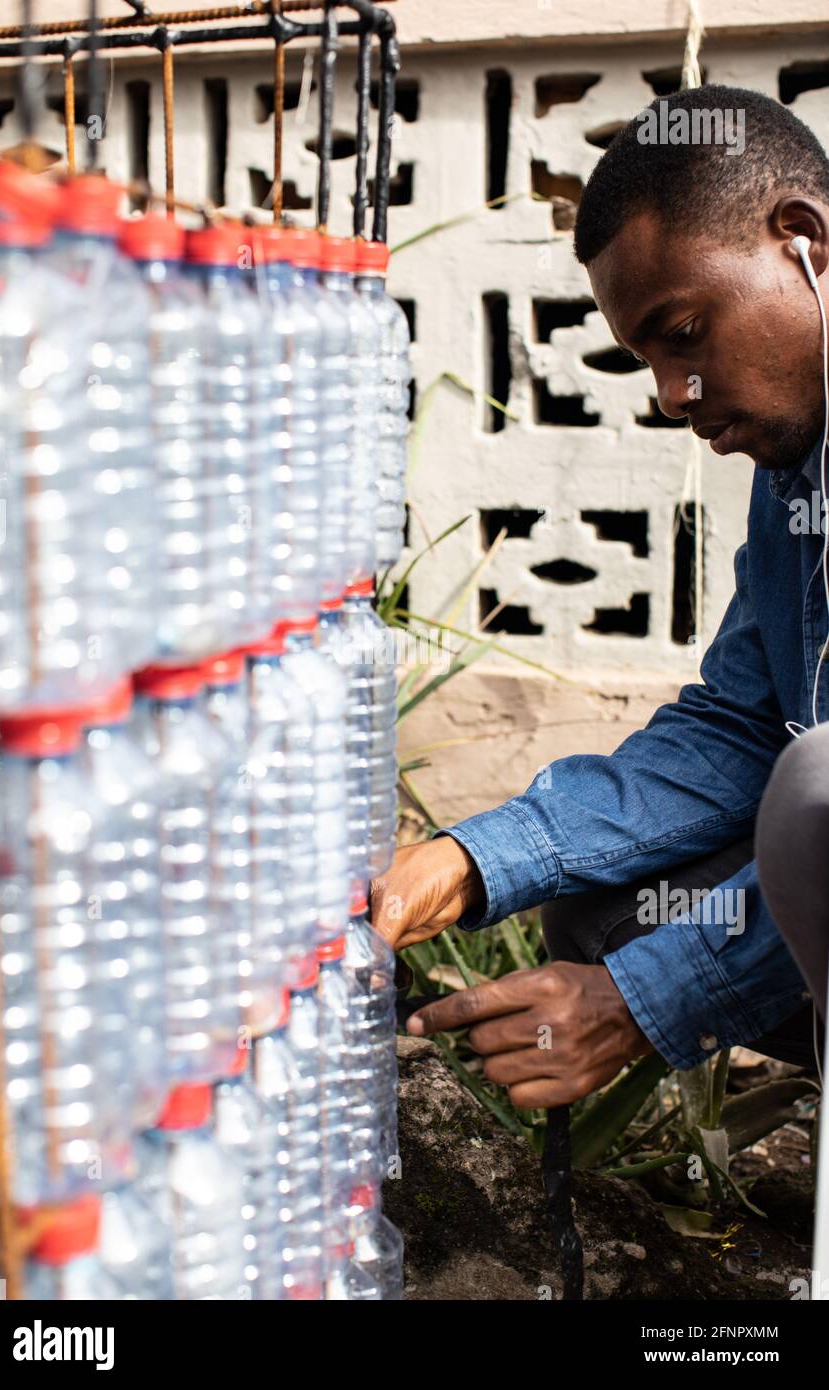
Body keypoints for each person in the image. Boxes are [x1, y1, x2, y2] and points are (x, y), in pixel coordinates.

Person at [370, 85, 829, 1109]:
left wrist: (637, 1002)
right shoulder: (796, 472)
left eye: (683, 333)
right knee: (603, 913)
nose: (672, 397)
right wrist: (466, 861)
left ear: (803, 240)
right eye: (645, 362)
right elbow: (736, 728)